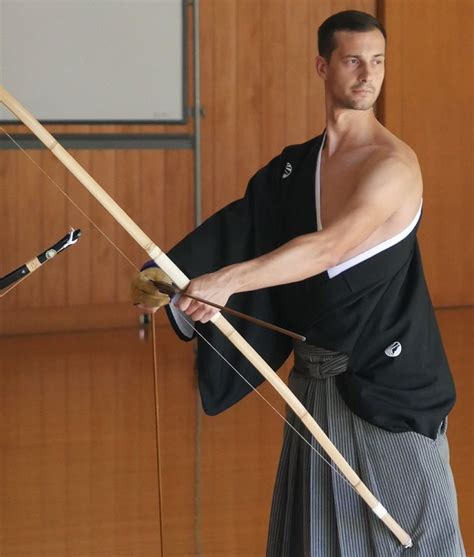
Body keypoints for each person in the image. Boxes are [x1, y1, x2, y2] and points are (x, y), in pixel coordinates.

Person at [132, 10, 466, 557]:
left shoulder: (393, 166)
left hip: (391, 386)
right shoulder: (296, 169)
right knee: (314, 541)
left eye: (378, 61)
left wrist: (227, 282)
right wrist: (169, 282)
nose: (368, 75)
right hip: (315, 388)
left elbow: (330, 247)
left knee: (417, 537)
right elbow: (243, 227)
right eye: (353, 60)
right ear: (322, 65)